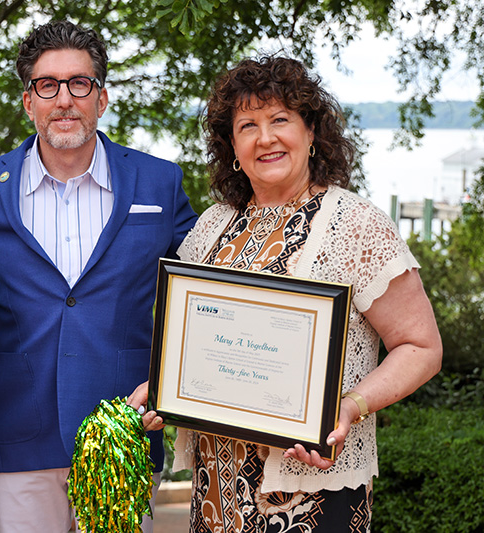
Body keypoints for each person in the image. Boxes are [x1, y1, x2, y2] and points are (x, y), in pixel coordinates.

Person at [133, 55, 442, 532]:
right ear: (232, 146)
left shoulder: (357, 225)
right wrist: (163, 388)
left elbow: (421, 347)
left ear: (311, 132)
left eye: (280, 119)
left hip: (315, 492)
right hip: (217, 494)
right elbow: (191, 343)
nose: (266, 137)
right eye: (248, 125)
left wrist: (350, 406)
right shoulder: (211, 226)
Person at [0, 20, 198, 532]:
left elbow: (207, 293)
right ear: (28, 101)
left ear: (102, 97)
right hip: (18, 434)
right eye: (48, 85)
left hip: (125, 430)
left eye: (79, 84)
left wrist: (172, 383)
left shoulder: (159, 180)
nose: (64, 99)